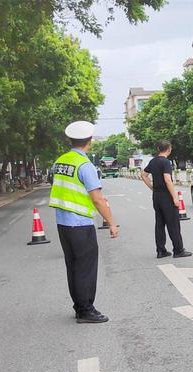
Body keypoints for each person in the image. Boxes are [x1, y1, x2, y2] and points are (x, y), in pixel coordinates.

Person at [49, 121, 118, 323]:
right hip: (80, 224)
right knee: (86, 267)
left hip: (63, 224)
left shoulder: (60, 161)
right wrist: (111, 222)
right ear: (89, 141)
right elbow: (96, 198)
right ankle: (87, 310)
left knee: (73, 267)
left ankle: (80, 307)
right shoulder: (84, 165)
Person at [141, 140, 192, 259]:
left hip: (156, 196)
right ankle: (178, 250)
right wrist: (175, 197)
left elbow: (143, 175)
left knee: (159, 223)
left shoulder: (153, 161)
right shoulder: (166, 162)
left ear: (158, 149)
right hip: (166, 196)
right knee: (173, 223)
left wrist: (152, 187)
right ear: (169, 149)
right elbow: (167, 180)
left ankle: (161, 250)